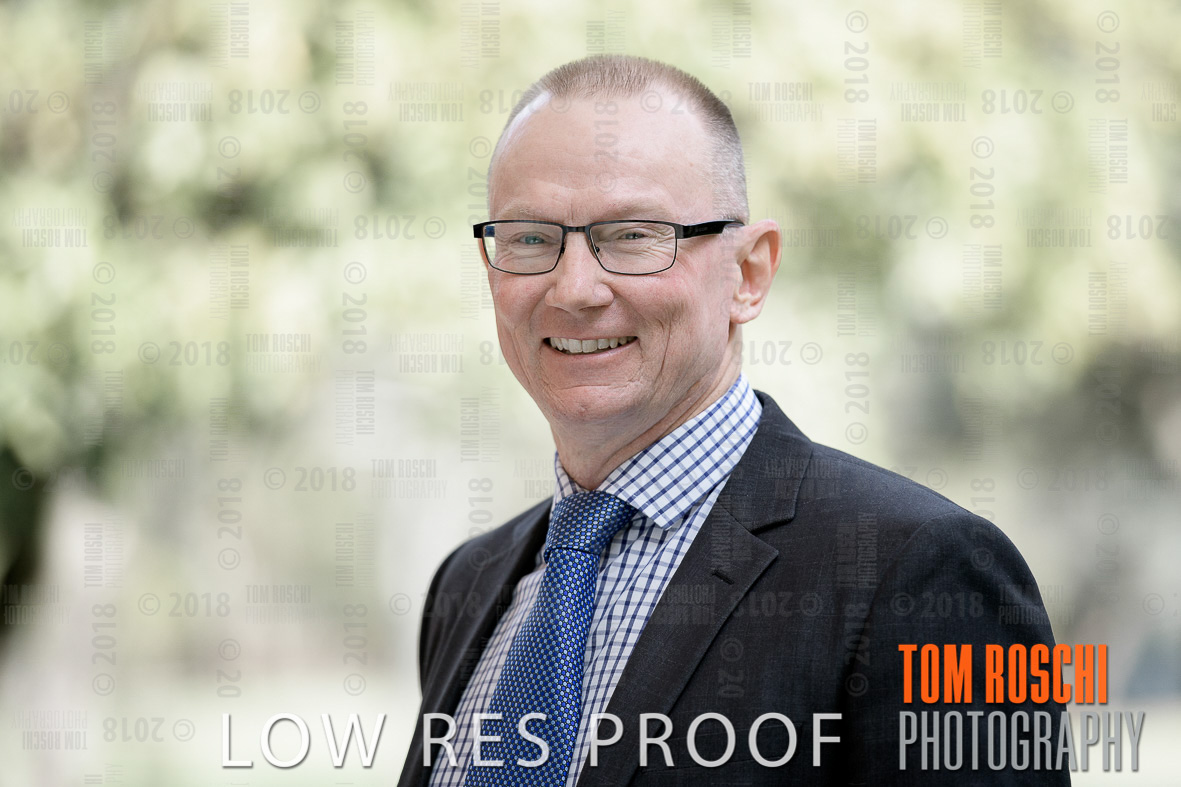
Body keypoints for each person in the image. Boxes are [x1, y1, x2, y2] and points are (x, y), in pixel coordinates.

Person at [398, 54, 1068, 786]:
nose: (575, 288)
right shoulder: (469, 583)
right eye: (529, 238)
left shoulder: (921, 574)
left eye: (633, 235)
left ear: (748, 273)